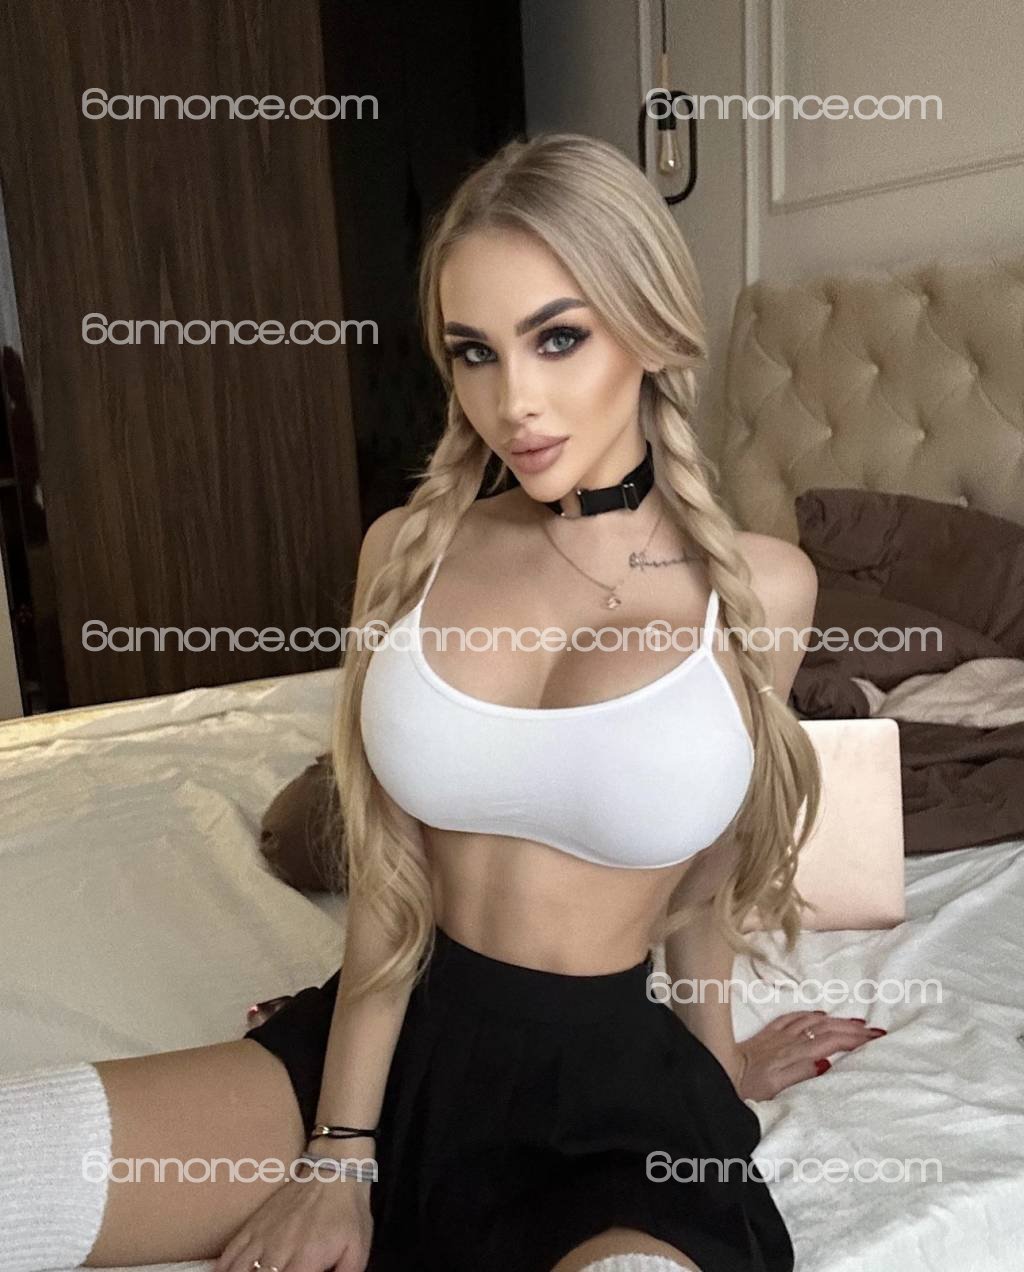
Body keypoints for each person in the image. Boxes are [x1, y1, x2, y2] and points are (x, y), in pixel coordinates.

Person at [0, 133, 886, 1272]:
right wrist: (339, 1155)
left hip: (614, 1103)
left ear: (653, 330)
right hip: (392, 1045)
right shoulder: (405, 554)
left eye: (557, 337)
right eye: (475, 352)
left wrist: (716, 1068)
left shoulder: (760, 588)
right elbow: (386, 874)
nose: (514, 401)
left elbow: (701, 879)